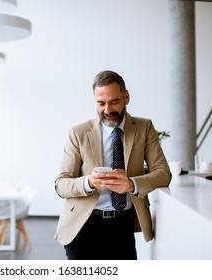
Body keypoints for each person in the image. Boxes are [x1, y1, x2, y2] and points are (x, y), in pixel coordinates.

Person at [54, 70, 171, 260]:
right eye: (101, 103)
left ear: (126, 97)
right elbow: (61, 185)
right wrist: (89, 182)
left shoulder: (144, 127)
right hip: (83, 226)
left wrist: (132, 184)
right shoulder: (78, 133)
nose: (107, 110)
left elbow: (163, 173)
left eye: (114, 101)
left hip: (123, 225)